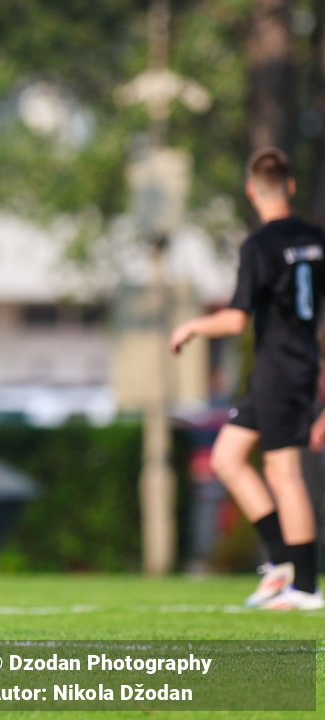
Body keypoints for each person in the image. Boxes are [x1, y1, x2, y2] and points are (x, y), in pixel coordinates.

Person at [170, 146, 324, 610]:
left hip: (281, 371)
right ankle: (281, 565)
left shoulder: (257, 247)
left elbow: (236, 321)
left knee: (284, 473)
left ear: (252, 190)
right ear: (291, 187)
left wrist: (194, 325)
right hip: (288, 371)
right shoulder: (317, 240)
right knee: (227, 458)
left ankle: (306, 586)